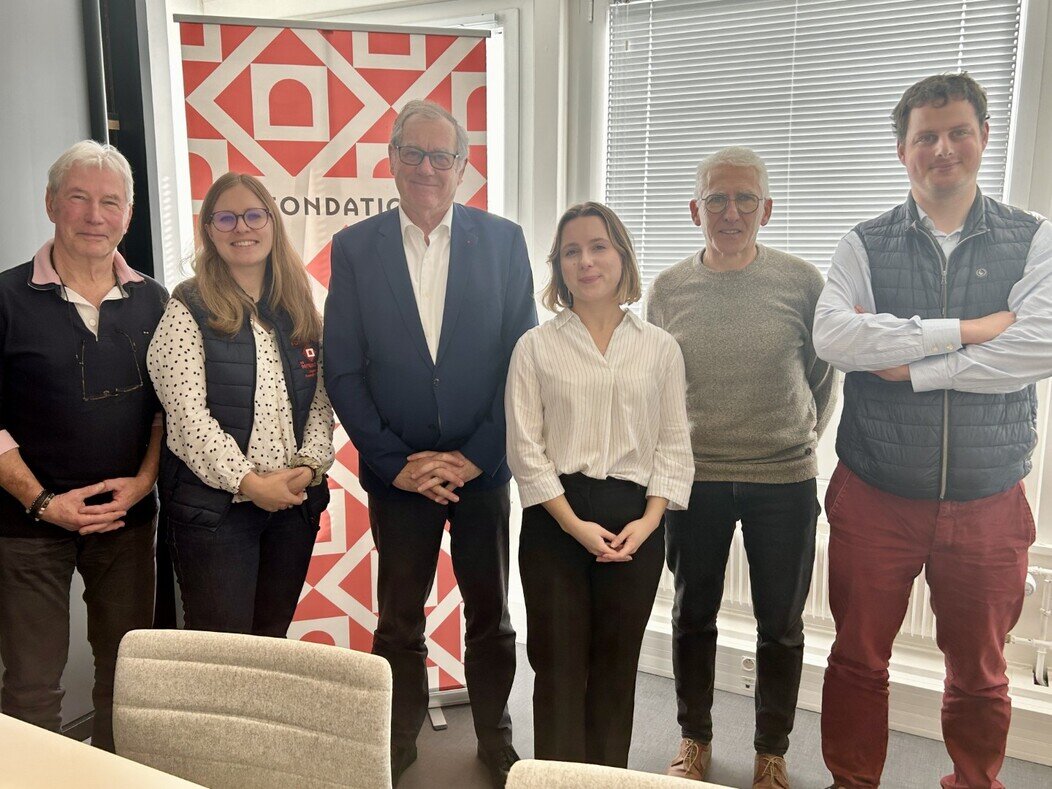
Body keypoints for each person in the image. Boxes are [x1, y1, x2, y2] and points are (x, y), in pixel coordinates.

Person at [813, 72, 1052, 789]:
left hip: (988, 499)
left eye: (958, 132)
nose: (943, 148)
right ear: (902, 150)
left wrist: (914, 368)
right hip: (875, 494)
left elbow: (1039, 346)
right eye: (926, 136)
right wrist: (971, 330)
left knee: (980, 673)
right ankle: (853, 782)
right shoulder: (863, 243)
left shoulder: (1034, 239)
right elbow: (836, 338)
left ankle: (974, 782)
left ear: (983, 138)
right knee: (857, 659)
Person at [324, 100, 536, 787]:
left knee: (491, 615)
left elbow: (522, 363)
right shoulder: (355, 248)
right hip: (400, 474)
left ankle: (496, 733)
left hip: (483, 470)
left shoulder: (503, 242)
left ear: (462, 166)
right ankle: (400, 735)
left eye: (441, 156)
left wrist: (477, 455)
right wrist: (395, 463)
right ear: (391, 160)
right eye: (412, 153)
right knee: (398, 620)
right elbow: (343, 369)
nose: (426, 167)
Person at [647, 147, 836, 788]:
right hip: (694, 480)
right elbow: (656, 384)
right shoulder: (667, 290)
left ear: (767, 209)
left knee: (780, 625)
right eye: (717, 199)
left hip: (783, 480)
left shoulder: (803, 282)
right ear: (694, 209)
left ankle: (771, 751)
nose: (731, 212)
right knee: (691, 616)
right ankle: (694, 739)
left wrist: (795, 439)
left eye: (745, 199)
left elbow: (822, 378)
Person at [506, 201, 693, 768]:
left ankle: (608, 778)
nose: (585, 261)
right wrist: (574, 526)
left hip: (636, 522)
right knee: (558, 669)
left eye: (598, 247)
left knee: (616, 669)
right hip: (556, 519)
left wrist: (651, 521)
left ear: (622, 257)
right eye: (571, 251)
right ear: (559, 267)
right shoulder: (535, 347)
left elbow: (673, 444)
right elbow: (526, 451)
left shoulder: (660, 347)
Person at [0, 140, 167, 751]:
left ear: (128, 214)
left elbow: (166, 411)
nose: (95, 216)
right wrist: (43, 502)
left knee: (127, 678)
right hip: (25, 526)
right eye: (78, 198)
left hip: (126, 523)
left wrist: (145, 482)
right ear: (51, 204)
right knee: (30, 688)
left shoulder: (156, 300)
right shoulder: (5, 298)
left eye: (110, 202)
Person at [147, 172, 333, 638]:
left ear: (272, 222)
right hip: (218, 513)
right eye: (226, 218)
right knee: (222, 653)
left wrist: (308, 467)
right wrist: (250, 483)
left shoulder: (298, 306)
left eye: (253, 215)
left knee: (271, 642)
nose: (241, 228)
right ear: (209, 230)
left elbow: (319, 403)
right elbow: (187, 420)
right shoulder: (187, 307)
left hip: (292, 507)